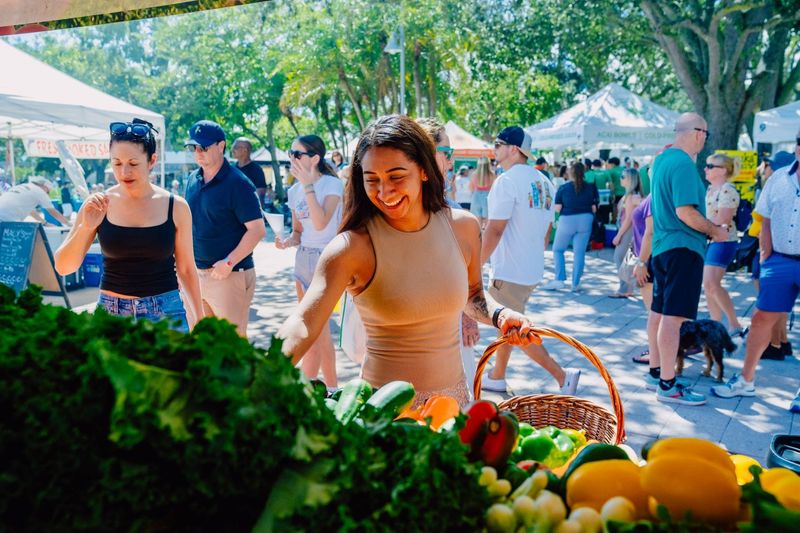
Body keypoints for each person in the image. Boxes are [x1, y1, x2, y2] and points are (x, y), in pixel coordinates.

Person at [278, 115, 541, 407]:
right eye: (372, 180)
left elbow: (474, 295)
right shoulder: (350, 247)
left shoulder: (464, 228)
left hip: (453, 407)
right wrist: (262, 374)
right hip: (382, 417)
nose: (384, 192)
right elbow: (303, 322)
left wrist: (501, 315)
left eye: (396, 176)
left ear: (424, 171)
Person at [54, 119, 202, 332]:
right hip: (111, 316)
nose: (124, 172)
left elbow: (187, 269)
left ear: (152, 160)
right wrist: (86, 227)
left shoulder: (176, 206)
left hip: (166, 315)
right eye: (116, 163)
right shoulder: (97, 204)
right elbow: (63, 267)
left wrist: (201, 320)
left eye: (133, 164)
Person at [480, 126, 581, 396]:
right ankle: (498, 375)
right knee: (506, 324)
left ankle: (562, 376)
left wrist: (475, 262)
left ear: (514, 149)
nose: (495, 148)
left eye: (499, 143)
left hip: (509, 270)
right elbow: (548, 230)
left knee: (514, 328)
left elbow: (495, 229)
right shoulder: (545, 182)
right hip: (531, 268)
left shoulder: (507, 181)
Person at [711, 129, 800, 411]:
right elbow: (765, 218)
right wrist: (766, 257)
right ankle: (746, 381)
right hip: (780, 260)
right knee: (762, 319)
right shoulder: (778, 179)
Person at [649, 113, 728, 406]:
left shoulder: (662, 161)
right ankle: (668, 385)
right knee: (673, 320)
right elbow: (686, 212)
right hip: (683, 248)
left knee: (659, 314)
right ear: (696, 133)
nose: (705, 139)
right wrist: (715, 231)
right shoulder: (682, 162)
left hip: (663, 248)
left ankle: (657, 372)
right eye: (705, 134)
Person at [184, 120, 266, 337]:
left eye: (204, 147)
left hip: (229, 276)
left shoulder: (238, 183)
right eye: (194, 148)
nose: (198, 152)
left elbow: (257, 230)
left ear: (221, 146)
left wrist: (229, 262)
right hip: (196, 275)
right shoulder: (192, 179)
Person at [416, 117, 481, 392]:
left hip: (447, 334)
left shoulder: (455, 214)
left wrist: (469, 318)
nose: (451, 163)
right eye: (447, 154)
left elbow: (469, 280)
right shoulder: (390, 211)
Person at [276, 134, 343, 388]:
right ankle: (311, 387)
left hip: (326, 260)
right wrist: (287, 241)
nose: (292, 159)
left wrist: (307, 185)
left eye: (297, 154)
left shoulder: (331, 185)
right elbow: (298, 232)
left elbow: (321, 222)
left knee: (319, 330)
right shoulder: (294, 191)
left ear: (314, 158)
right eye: (290, 153)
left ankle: (332, 388)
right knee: (310, 331)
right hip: (303, 259)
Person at [701, 153, 745, 336]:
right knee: (709, 284)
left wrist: (699, 227)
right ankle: (716, 324)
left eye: (711, 166)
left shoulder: (727, 190)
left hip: (722, 241)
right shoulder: (711, 189)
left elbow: (722, 220)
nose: (706, 169)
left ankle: (734, 325)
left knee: (711, 283)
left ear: (723, 170)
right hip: (711, 240)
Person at [541, 161, 598, 292]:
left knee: (558, 250)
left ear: (570, 173)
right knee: (579, 252)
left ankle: (559, 279)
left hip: (567, 220)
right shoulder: (591, 187)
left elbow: (557, 209)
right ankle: (575, 283)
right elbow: (594, 208)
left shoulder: (563, 188)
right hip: (586, 220)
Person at [609, 168, 644, 298]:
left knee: (619, 258)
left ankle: (625, 288)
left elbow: (629, 218)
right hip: (628, 230)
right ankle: (628, 288)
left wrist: (618, 235)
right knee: (626, 259)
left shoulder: (632, 196)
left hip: (628, 230)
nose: (621, 178)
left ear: (631, 179)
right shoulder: (629, 195)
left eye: (623, 176)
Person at [0, 176, 71, 226]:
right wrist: (68, 224)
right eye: (48, 192)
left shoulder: (22, 186)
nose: (47, 194)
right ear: (45, 187)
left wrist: (44, 223)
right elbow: (52, 211)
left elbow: (32, 212)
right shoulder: (40, 191)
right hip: (9, 218)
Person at [231, 137, 267, 207]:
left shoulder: (257, 170)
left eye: (235, 147)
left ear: (245, 150)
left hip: (249, 213)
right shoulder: (232, 168)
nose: (232, 150)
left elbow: (260, 196)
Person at [470, 157, 495, 228]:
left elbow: (471, 187)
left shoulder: (474, 174)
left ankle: (479, 237)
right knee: (487, 218)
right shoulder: (491, 174)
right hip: (487, 195)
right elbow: (493, 188)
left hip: (476, 195)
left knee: (477, 219)